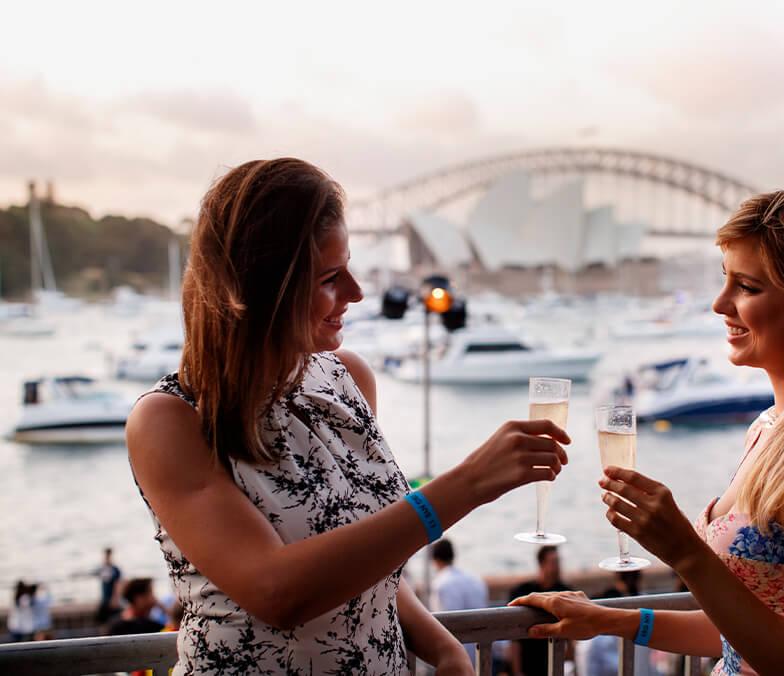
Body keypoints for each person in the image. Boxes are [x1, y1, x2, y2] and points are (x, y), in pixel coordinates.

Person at [126, 158, 570, 674]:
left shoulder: (348, 379)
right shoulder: (171, 420)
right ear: (261, 287)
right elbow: (277, 592)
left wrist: (447, 651)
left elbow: (365, 561)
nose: (357, 293)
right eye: (331, 278)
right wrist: (465, 485)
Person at [511, 184, 784, 675]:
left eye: (747, 287)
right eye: (726, 280)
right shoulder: (771, 430)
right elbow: (742, 636)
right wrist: (610, 620)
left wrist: (684, 549)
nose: (719, 304)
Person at [507, 546, 575, 675]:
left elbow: (571, 635)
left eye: (558, 562)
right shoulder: (522, 592)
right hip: (528, 661)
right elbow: (514, 640)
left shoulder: (565, 591)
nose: (558, 567)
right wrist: (517, 672)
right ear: (541, 563)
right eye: (554, 562)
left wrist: (571, 660)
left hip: (553, 659)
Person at [430, 538, 489, 663]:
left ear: (435, 560)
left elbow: (443, 624)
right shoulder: (475, 579)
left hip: (457, 656)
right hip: (483, 651)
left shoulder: (440, 584)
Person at [95, 547, 122, 623]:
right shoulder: (102, 568)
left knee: (114, 620)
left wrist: (115, 598)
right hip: (104, 600)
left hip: (112, 600)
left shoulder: (115, 569)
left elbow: (117, 584)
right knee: (101, 620)